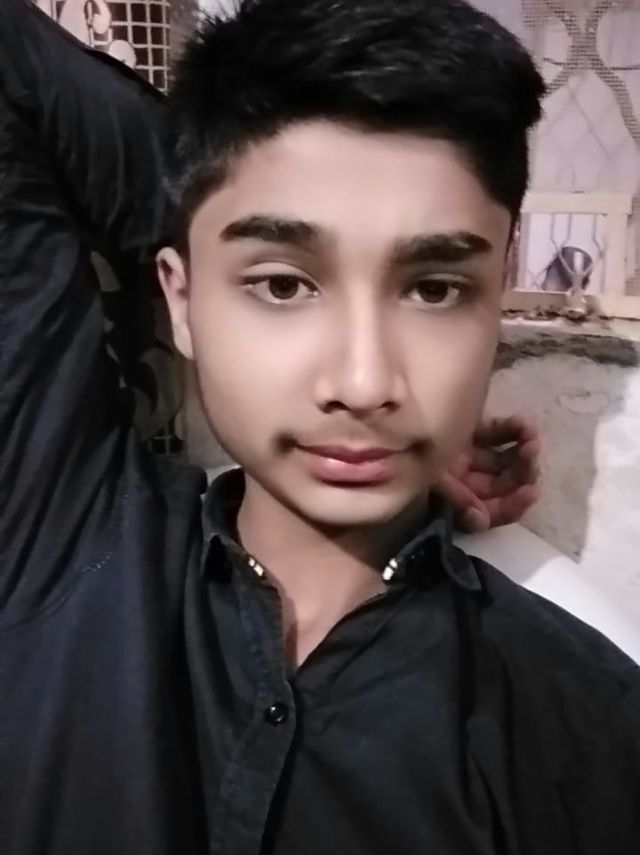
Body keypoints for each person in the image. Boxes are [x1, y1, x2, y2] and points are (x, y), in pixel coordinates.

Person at [1, 1, 637, 854]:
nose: (365, 383)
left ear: (496, 300)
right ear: (180, 299)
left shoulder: (586, 726)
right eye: (281, 284)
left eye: (436, 289)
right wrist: (213, 164)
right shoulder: (55, 534)